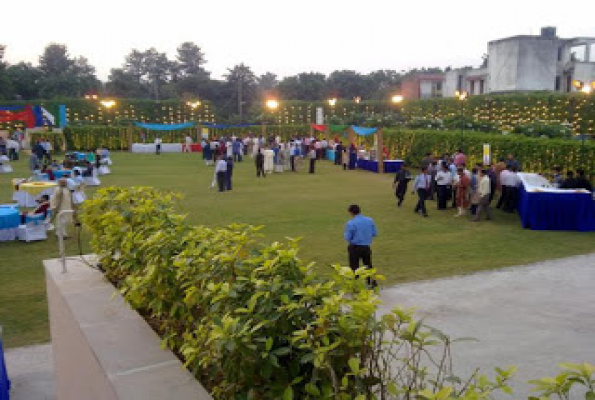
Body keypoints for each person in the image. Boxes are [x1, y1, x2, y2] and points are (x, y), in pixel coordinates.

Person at [344, 204, 377, 287]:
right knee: (368, 265)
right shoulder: (370, 220)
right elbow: (374, 233)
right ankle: (371, 282)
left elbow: (348, 237)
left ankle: (356, 284)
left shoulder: (351, 223)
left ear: (351, 212)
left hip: (355, 247)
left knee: (354, 266)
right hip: (366, 246)